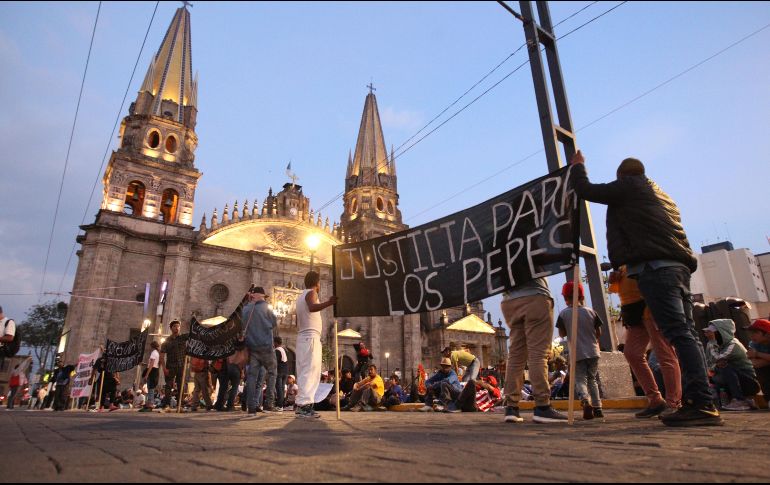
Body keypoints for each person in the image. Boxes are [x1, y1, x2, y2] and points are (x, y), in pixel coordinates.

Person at [570, 151, 721, 427]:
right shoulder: (660, 194)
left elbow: (585, 190)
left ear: (622, 176)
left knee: (677, 336)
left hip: (657, 270)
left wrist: (578, 167)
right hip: (677, 268)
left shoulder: (631, 186)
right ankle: (692, 401)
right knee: (685, 334)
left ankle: (699, 402)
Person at [609, 266, 682, 418]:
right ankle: (656, 401)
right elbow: (617, 287)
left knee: (664, 353)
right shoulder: (622, 263)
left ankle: (673, 403)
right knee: (632, 353)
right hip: (632, 310)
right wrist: (616, 278)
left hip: (650, 303)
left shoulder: (642, 256)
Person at [501, 278, 567, 424]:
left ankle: (511, 407)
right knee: (538, 353)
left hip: (509, 300)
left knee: (515, 356)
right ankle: (542, 406)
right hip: (535, 295)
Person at [556, 281, 605, 420]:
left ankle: (585, 400)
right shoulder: (591, 312)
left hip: (577, 353)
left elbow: (561, 334)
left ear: (565, 298)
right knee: (592, 379)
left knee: (580, 379)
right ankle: (598, 407)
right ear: (582, 297)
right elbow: (599, 332)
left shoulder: (564, 314)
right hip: (593, 351)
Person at [294, 271, 337, 418]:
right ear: (317, 283)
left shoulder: (300, 296)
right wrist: (329, 303)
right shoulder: (311, 293)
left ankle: (302, 405)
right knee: (310, 372)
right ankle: (304, 406)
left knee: (305, 371)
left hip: (304, 337)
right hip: (310, 337)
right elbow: (312, 307)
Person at [704, 319, 759, 411]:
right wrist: (712, 368)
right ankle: (743, 401)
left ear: (722, 332)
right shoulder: (718, 345)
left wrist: (712, 344)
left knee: (724, 366)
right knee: (712, 375)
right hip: (734, 379)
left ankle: (739, 400)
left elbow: (718, 359)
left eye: (711, 332)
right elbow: (708, 363)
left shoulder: (733, 344)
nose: (707, 334)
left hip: (749, 382)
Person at [242, 286, 279, 415]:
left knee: (252, 377)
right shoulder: (266, 307)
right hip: (266, 346)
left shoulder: (246, 309)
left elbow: (242, 325)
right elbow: (274, 323)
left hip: (252, 347)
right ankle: (269, 404)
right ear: (261, 296)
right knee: (272, 373)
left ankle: (251, 407)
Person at [160, 320, 188, 410]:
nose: (177, 328)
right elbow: (162, 355)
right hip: (170, 366)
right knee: (168, 385)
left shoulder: (183, 337)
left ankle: (180, 405)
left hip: (181, 365)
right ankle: (167, 405)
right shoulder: (167, 341)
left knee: (181, 385)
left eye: (178, 326)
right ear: (171, 328)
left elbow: (193, 334)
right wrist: (164, 368)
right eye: (175, 326)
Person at [747, 319, 770, 397]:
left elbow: (755, 358)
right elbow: (754, 363)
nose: (752, 335)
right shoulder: (753, 344)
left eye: (755, 332)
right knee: (761, 370)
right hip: (765, 376)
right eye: (751, 333)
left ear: (767, 334)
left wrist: (757, 354)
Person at [140, 341, 161, 412]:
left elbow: (151, 365)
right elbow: (152, 364)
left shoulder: (153, 353)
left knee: (151, 388)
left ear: (152, 346)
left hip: (152, 372)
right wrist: (145, 364)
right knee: (150, 388)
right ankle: (149, 403)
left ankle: (150, 404)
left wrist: (147, 374)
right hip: (155, 370)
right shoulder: (157, 353)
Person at [274, 336, 289, 410]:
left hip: (279, 372)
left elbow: (275, 362)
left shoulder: (277, 350)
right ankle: (281, 405)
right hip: (285, 371)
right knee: (282, 389)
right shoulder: (283, 350)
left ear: (276, 343)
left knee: (279, 389)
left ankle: (279, 405)